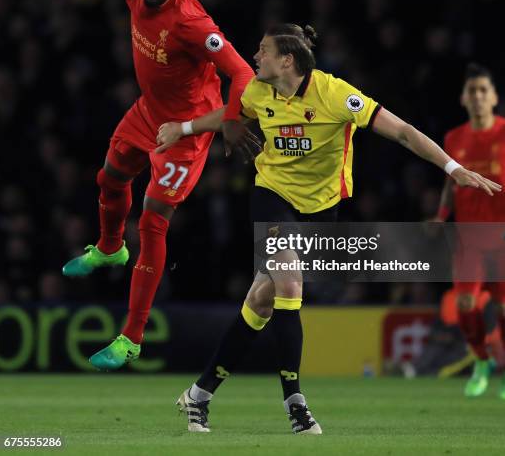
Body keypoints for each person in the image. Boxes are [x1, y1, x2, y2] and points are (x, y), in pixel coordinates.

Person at [156, 25, 501, 434]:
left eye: (262, 51)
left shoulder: (335, 94)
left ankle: (199, 394)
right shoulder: (255, 90)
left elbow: (404, 132)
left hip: (322, 210)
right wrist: (184, 128)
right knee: (289, 286)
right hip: (273, 196)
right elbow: (233, 114)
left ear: (287, 61)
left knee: (261, 302)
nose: (254, 56)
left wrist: (453, 168)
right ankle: (295, 403)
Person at [56, 0, 255, 370]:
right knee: (109, 178)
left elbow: (242, 71)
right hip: (148, 111)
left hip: (185, 129)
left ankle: (131, 338)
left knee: (152, 219)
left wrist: (229, 121)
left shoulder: (191, 22)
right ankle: (108, 248)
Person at [434, 63, 505, 398]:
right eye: (471, 91)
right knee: (465, 303)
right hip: (468, 240)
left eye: (482, 90)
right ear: (463, 98)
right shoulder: (454, 138)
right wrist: (441, 215)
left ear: (493, 97)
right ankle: (481, 360)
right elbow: (451, 183)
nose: (477, 97)